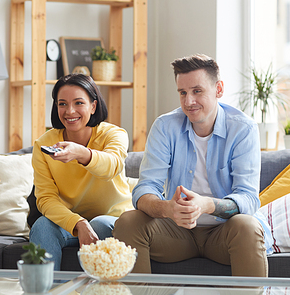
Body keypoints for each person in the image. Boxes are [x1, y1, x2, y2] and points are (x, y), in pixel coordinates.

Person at [113, 54, 273, 277]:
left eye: (197, 91)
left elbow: (248, 198)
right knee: (128, 221)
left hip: (224, 233)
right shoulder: (165, 127)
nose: (189, 101)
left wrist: (206, 205)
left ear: (218, 89)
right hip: (176, 233)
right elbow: (144, 189)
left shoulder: (243, 129)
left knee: (247, 227)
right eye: (183, 93)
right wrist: (167, 208)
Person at [29, 73, 134, 270]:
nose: (69, 111)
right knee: (42, 226)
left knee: (101, 224)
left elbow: (112, 166)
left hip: (112, 217)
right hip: (69, 221)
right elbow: (45, 199)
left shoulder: (114, 134)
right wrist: (79, 223)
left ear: (93, 106)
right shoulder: (43, 144)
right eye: (62, 104)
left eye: (79, 103)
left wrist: (82, 154)